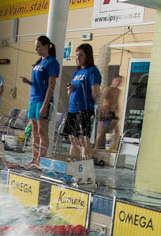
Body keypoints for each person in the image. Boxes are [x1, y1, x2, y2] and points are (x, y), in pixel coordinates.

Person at [20, 35, 59, 166]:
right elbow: (39, 83)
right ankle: (34, 159)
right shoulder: (39, 62)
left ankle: (41, 161)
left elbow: (51, 86)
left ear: (46, 46)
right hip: (34, 99)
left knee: (42, 131)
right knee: (34, 132)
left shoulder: (52, 62)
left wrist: (45, 105)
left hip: (43, 101)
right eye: (35, 47)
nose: (36, 49)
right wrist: (28, 82)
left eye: (38, 46)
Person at [63, 43, 102, 162]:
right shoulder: (76, 73)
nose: (77, 58)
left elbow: (95, 91)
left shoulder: (92, 71)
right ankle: (73, 167)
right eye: (76, 55)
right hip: (72, 109)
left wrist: (96, 108)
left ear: (87, 56)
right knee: (73, 140)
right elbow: (71, 94)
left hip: (85, 109)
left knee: (84, 140)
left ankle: (85, 170)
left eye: (80, 55)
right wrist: (70, 90)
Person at [94, 76, 123, 152]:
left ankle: (110, 148)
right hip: (106, 111)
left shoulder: (118, 90)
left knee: (116, 130)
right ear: (113, 80)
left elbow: (116, 102)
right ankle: (96, 148)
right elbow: (102, 99)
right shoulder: (108, 89)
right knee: (102, 131)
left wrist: (117, 112)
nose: (118, 83)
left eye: (120, 81)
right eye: (117, 81)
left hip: (113, 112)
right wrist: (103, 110)